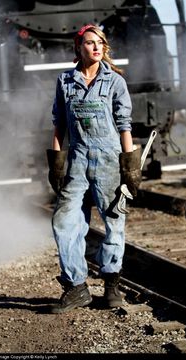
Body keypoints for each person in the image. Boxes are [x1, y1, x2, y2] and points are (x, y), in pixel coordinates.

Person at [47, 24, 141, 313]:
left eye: (100, 42)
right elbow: (59, 124)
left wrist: (130, 166)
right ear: (79, 48)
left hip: (109, 162)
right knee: (64, 222)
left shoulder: (115, 82)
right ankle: (76, 287)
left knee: (114, 222)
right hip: (76, 161)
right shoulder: (65, 81)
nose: (96, 47)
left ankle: (111, 285)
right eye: (90, 43)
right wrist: (56, 161)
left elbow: (124, 126)